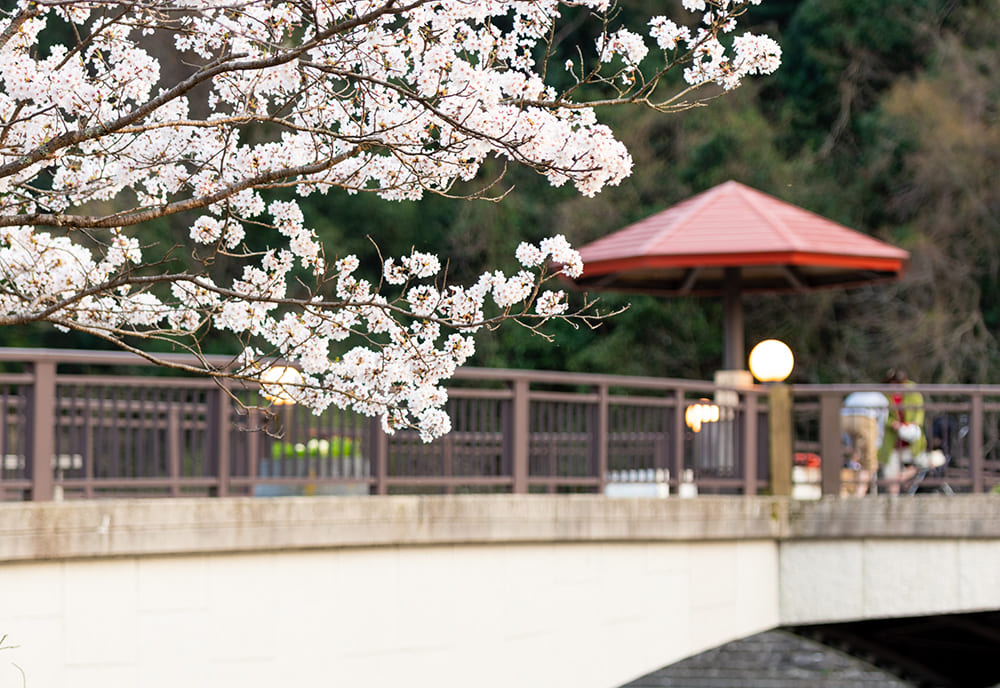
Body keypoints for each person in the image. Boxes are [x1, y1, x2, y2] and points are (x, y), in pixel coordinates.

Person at [878, 368, 925, 495]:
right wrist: (892, 423)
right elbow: (881, 416)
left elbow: (919, 412)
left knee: (917, 466)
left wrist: (913, 423)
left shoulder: (913, 392)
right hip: (891, 443)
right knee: (890, 474)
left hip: (910, 442)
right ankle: (894, 502)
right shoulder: (884, 395)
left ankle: (901, 483)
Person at [840, 390, 889, 496]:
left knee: (854, 457)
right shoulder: (882, 398)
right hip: (865, 418)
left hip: (845, 418)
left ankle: (847, 490)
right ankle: (860, 493)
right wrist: (877, 444)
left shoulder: (855, 394)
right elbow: (881, 424)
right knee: (869, 461)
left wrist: (849, 444)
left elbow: (843, 410)